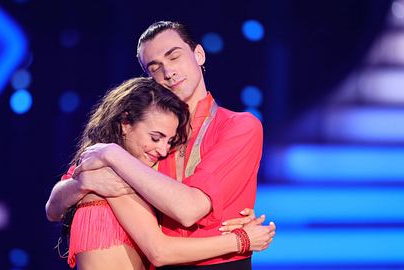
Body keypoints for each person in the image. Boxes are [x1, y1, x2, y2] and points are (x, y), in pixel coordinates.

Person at [47, 21, 276, 269]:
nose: (168, 72)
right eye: (155, 68)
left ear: (199, 54)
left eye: (174, 56)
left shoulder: (238, 126)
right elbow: (54, 207)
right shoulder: (143, 138)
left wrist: (108, 153)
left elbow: (188, 209)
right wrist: (82, 183)